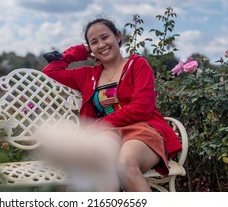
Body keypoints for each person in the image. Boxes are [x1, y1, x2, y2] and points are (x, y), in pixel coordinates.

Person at [41, 18, 182, 192]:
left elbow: (141, 108)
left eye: (105, 37)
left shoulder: (136, 64)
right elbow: (51, 71)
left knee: (125, 165)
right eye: (94, 42)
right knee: (102, 166)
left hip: (141, 129)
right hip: (108, 133)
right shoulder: (88, 75)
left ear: (118, 36)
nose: (101, 45)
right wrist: (80, 51)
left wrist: (99, 124)